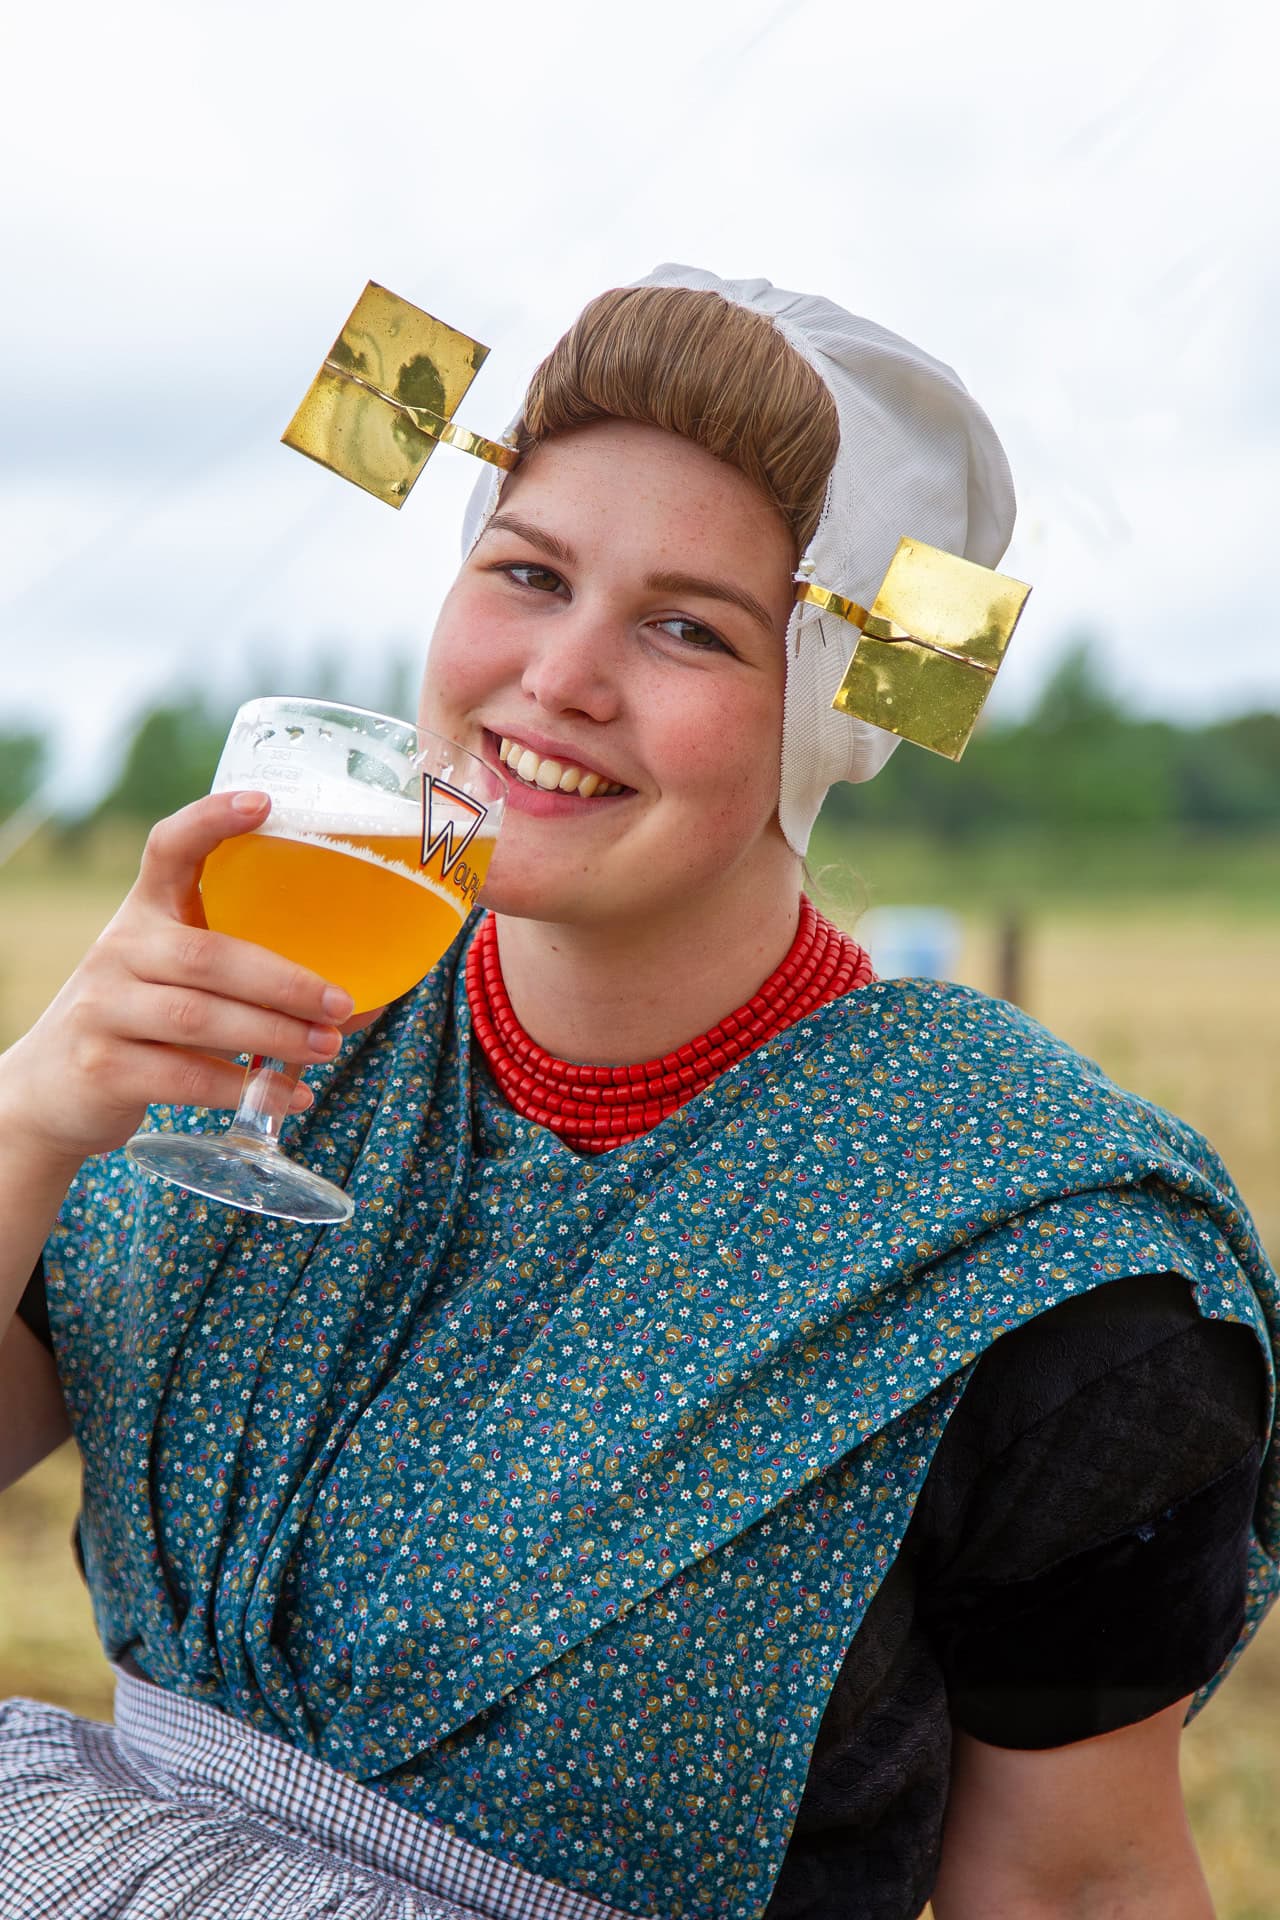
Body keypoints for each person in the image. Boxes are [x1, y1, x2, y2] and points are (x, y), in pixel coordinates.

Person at [0, 264, 1275, 1920]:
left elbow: (1075, 1887)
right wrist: (32, 1118)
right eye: (528, 573)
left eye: (688, 627)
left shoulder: (1041, 1256)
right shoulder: (273, 1009)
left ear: (823, 710)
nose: (560, 677)